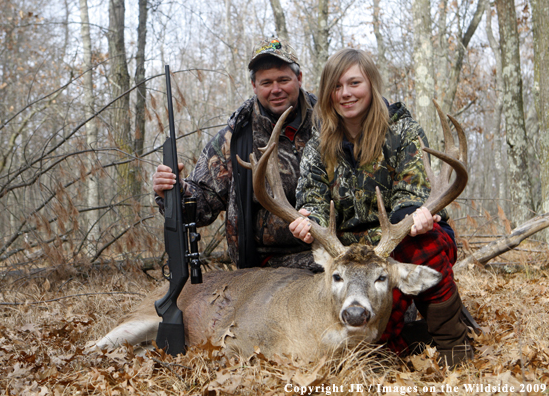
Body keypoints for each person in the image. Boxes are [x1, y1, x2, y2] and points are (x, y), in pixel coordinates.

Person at [288, 48, 473, 366]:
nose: (345, 94)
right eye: (336, 86)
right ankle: (400, 341)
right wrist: (309, 221)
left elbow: (412, 192)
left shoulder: (403, 131)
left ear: (372, 84)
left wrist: (415, 217)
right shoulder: (319, 143)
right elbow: (314, 198)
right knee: (380, 351)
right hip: (347, 253)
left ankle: (455, 346)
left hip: (395, 246)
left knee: (425, 242)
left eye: (354, 83)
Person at [153, 37, 319, 270]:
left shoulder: (330, 124)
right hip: (268, 266)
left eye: (284, 80)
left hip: (331, 252)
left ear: (299, 79)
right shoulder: (234, 139)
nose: (276, 89)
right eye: (266, 82)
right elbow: (201, 206)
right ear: (254, 86)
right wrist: (173, 191)